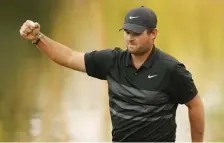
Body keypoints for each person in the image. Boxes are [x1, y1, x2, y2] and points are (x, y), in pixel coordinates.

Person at [19, 6, 205, 142]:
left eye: (137, 33)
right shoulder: (111, 61)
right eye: (127, 31)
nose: (130, 37)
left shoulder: (171, 69)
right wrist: (38, 38)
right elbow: (68, 57)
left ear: (153, 33)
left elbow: (194, 104)